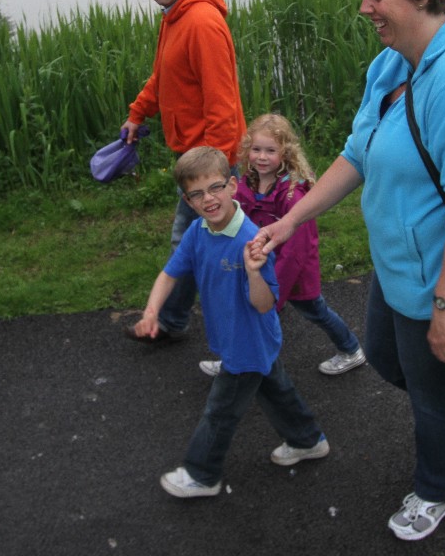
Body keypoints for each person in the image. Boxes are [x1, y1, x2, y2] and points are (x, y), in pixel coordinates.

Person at [251, 0, 445, 542]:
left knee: (432, 396)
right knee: (383, 354)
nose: (364, 7)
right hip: (403, 261)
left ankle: (438, 490)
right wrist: (292, 218)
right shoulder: (392, 63)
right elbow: (359, 153)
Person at [132, 147, 327, 498]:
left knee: (220, 412)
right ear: (187, 201)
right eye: (196, 194)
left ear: (233, 186)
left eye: (215, 188)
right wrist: (151, 312)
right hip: (235, 337)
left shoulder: (251, 241)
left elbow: (264, 304)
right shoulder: (197, 232)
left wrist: (253, 272)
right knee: (275, 388)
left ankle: (202, 474)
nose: (208, 199)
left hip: (246, 342)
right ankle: (308, 439)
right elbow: (169, 273)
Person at [120, 0, 245, 344]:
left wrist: (213, 175)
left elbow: (222, 104)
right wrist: (138, 113)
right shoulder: (174, 16)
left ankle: (174, 321)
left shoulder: (201, 23)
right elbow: (164, 77)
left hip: (209, 163)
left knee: (189, 242)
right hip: (196, 159)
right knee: (211, 240)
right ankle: (263, 301)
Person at [198, 113, 365, 378]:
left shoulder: (292, 195)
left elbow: (296, 252)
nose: (261, 157)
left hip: (293, 272)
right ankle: (235, 360)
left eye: (270, 151)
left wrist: (275, 292)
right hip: (263, 265)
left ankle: (351, 349)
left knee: (316, 311)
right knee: (249, 312)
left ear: (285, 153)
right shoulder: (248, 182)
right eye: (256, 149)